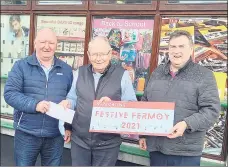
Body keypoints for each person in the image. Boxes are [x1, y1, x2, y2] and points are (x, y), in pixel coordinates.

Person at [139, 30, 220, 166]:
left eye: (181, 46)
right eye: (173, 47)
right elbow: (145, 103)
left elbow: (212, 111)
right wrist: (142, 134)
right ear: (168, 49)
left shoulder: (204, 75)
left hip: (185, 153)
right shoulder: (157, 72)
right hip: (157, 149)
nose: (176, 51)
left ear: (191, 49)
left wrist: (186, 124)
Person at [59, 36, 137, 166]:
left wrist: (113, 106)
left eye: (102, 54)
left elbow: (132, 106)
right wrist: (67, 104)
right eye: (95, 54)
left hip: (107, 144)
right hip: (80, 141)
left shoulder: (122, 75)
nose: (98, 58)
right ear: (89, 55)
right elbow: (72, 98)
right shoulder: (80, 72)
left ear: (110, 53)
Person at [4, 28, 73, 166]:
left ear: (56, 45)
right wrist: (35, 105)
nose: (47, 46)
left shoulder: (66, 69)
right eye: (43, 42)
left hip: (55, 135)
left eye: (51, 43)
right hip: (26, 133)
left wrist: (68, 127)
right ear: (35, 43)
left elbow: (72, 98)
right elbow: (10, 94)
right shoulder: (21, 66)